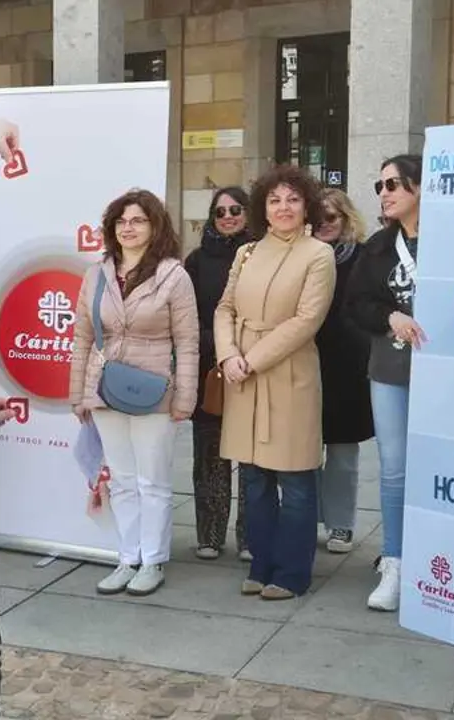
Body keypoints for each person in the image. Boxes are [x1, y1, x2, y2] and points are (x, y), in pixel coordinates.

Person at [69, 189, 200, 597]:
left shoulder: (173, 275)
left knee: (154, 481)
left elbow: (189, 341)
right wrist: (78, 393)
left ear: (155, 226)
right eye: (122, 221)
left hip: (154, 390)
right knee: (122, 480)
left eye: (138, 220)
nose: (129, 228)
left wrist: (185, 397)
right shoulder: (97, 273)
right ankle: (128, 557)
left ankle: (153, 559)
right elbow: (82, 336)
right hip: (105, 387)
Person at [215, 165, 335, 601]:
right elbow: (225, 307)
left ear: (306, 206)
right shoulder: (246, 253)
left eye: (293, 200)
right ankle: (260, 562)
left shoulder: (318, 255)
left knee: (297, 479)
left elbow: (307, 320)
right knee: (253, 477)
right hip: (242, 373)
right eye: (274, 200)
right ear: (262, 207)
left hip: (288, 374)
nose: (283, 208)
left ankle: (292, 571)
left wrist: (252, 360)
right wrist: (229, 354)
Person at [345, 154, 424, 612]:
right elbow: (355, 304)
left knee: (439, 466)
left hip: (448, 375)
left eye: (394, 183)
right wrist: (388, 315)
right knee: (394, 469)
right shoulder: (377, 247)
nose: (385, 192)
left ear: (420, 186)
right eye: (379, 186)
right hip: (391, 372)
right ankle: (394, 559)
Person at [184, 186, 252, 562]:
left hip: (256, 364)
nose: (228, 216)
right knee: (209, 455)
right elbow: (186, 314)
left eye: (235, 209)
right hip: (211, 367)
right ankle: (209, 535)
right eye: (220, 211)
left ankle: (251, 537)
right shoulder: (196, 260)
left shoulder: (262, 253)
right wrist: (219, 344)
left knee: (254, 460)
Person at [314, 188, 374, 555]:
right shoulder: (299, 254)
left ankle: (340, 524)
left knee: (342, 453)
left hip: (348, 366)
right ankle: (305, 518)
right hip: (304, 360)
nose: (325, 225)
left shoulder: (363, 257)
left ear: (346, 218)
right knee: (302, 452)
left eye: (332, 218)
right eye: (318, 219)